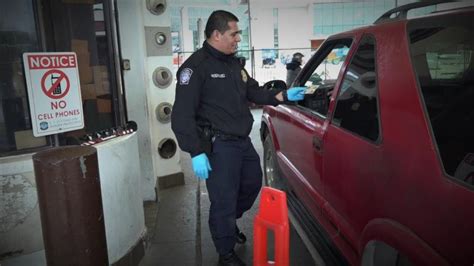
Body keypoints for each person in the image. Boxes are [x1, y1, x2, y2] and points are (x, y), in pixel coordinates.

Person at [171, 10, 305, 266]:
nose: (238, 39)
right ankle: (225, 252)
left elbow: (252, 90)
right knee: (223, 198)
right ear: (217, 34)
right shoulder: (194, 68)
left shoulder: (233, 63)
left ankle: (227, 223)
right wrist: (196, 151)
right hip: (218, 146)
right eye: (234, 34)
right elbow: (182, 115)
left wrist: (283, 96)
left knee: (252, 184)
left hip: (242, 142)